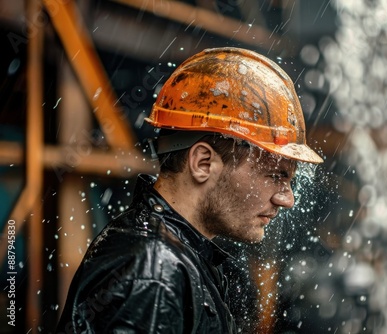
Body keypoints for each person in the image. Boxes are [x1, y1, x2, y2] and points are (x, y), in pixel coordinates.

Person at [56, 47, 323, 333]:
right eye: (275, 175)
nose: (287, 199)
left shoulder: (176, 257)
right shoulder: (155, 274)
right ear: (202, 162)